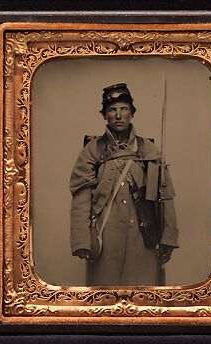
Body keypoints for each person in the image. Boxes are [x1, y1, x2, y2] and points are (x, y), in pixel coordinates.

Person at [69, 83, 179, 286]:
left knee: (144, 302)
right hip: (105, 239)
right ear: (104, 115)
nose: (118, 115)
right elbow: (81, 198)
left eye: (124, 109)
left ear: (132, 113)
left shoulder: (149, 149)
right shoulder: (92, 151)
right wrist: (82, 241)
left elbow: (166, 197)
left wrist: (168, 238)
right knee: (103, 302)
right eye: (112, 110)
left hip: (143, 237)